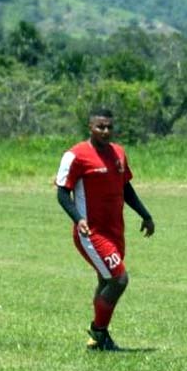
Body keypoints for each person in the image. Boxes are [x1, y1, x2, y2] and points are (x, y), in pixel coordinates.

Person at [55, 108, 155, 351]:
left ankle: (96, 337)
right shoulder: (75, 155)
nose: (106, 131)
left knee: (106, 280)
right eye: (100, 126)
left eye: (109, 127)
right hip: (92, 233)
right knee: (119, 279)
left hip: (115, 231)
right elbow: (62, 193)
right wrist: (78, 218)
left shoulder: (118, 153)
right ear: (90, 127)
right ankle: (99, 332)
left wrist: (145, 214)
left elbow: (126, 188)